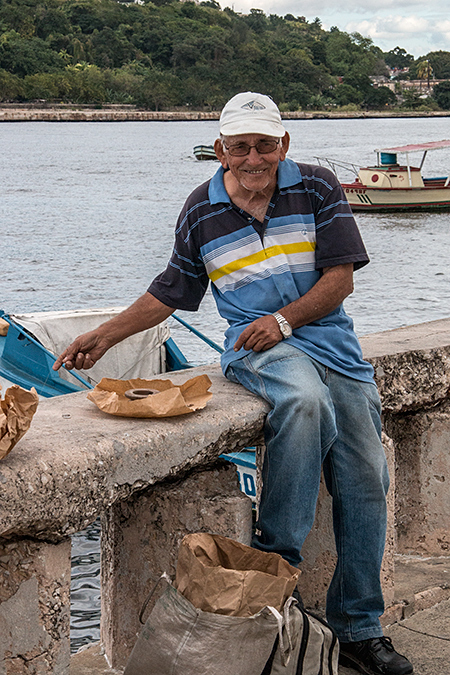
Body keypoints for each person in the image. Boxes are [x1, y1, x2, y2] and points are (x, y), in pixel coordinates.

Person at [54, 92, 413, 675]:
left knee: (368, 476)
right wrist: (106, 335)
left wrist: (286, 320)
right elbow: (172, 291)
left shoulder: (317, 187)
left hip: (328, 342)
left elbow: (339, 280)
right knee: (301, 399)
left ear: (283, 146)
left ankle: (359, 629)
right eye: (240, 146)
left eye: (264, 145)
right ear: (220, 150)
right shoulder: (201, 210)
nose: (253, 158)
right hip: (255, 346)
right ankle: (276, 568)